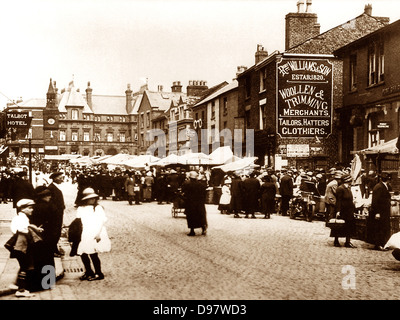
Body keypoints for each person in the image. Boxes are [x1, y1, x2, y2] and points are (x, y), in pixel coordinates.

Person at [10, 199, 44, 297]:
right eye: (29, 208)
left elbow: (26, 227)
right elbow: (22, 229)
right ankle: (20, 290)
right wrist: (32, 228)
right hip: (22, 247)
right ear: (23, 209)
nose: (32, 210)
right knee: (25, 267)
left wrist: (33, 227)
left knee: (25, 266)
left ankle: (18, 285)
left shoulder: (22, 217)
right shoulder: (20, 218)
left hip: (23, 246)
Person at [76, 188, 111, 281]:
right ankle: (88, 271)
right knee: (82, 252)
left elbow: (101, 221)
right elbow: (79, 221)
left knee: (92, 253)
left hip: (95, 231)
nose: (92, 200)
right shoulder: (80, 208)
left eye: (94, 198)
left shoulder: (98, 208)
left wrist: (98, 234)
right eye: (90, 198)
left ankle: (99, 273)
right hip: (85, 231)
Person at [30, 186, 55, 291]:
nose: (49, 197)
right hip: (49, 237)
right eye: (47, 195)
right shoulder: (52, 207)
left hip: (37, 237)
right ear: (42, 197)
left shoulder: (34, 207)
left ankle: (39, 283)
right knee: (48, 259)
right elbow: (56, 224)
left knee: (38, 260)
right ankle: (48, 283)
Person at [367, 172, 392, 251]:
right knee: (379, 228)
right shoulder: (379, 187)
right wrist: (377, 212)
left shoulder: (384, 186)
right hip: (380, 211)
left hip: (384, 211)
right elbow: (375, 201)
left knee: (383, 227)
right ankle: (378, 244)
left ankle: (382, 243)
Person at [333, 174, 356, 248]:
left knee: (349, 226)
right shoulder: (340, 189)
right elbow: (338, 200)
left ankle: (347, 242)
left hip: (349, 210)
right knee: (339, 226)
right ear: (347, 181)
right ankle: (336, 240)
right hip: (343, 210)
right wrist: (338, 211)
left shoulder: (348, 188)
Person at [181, 171, 207, 236]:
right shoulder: (201, 184)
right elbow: (204, 193)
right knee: (201, 215)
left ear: (190, 177)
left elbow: (183, 191)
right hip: (199, 202)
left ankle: (192, 231)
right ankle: (203, 228)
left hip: (190, 202)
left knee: (191, 216)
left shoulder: (186, 183)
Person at [47, 171, 65, 257]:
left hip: (58, 213)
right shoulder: (51, 188)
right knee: (54, 232)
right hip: (55, 214)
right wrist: (56, 211)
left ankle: (54, 249)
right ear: (55, 179)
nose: (62, 179)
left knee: (57, 231)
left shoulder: (55, 187)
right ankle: (52, 250)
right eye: (60, 178)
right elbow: (51, 202)